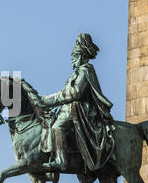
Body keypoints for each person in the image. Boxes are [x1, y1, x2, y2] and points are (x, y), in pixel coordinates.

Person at [40, 33, 115, 172]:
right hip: (71, 108)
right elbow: (64, 93)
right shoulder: (78, 72)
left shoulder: (85, 71)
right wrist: (45, 101)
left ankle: (61, 161)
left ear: (81, 56)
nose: (72, 60)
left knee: (57, 127)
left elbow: (75, 92)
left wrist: (48, 100)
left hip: (81, 109)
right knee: (48, 121)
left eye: (74, 57)